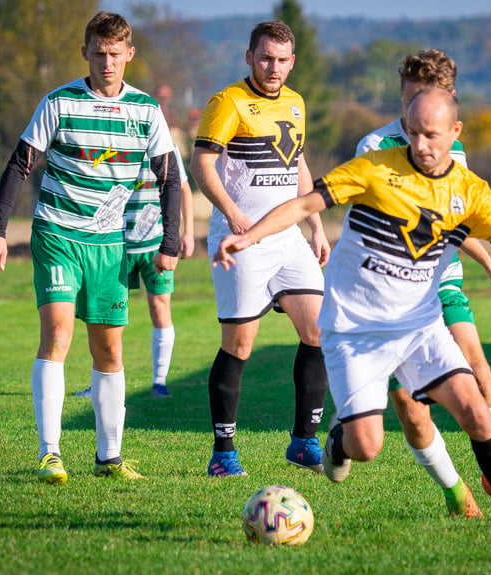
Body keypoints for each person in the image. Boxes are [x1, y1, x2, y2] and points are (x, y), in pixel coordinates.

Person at [215, 87, 491, 530]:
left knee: (474, 408)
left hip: (419, 324)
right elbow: (303, 203)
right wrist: (249, 235)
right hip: (355, 330)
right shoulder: (375, 169)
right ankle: (338, 441)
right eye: (413, 133)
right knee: (367, 446)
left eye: (432, 134)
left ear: (456, 131)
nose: (421, 145)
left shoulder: (470, 191)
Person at [0, 11, 181, 484]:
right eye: (98, 52)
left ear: (129, 54)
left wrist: (169, 243)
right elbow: (19, 166)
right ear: (85, 51)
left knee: (109, 350)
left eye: (115, 54)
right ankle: (51, 453)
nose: (107, 62)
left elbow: (171, 180)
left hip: (110, 244)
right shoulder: (59, 102)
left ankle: (109, 457)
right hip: (57, 235)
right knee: (58, 336)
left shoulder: (147, 111)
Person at [355, 49, 491, 517]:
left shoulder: (453, 148)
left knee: (477, 365)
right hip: (388, 296)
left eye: (423, 100)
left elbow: (455, 219)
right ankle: (455, 492)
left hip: (441, 279)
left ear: (449, 102)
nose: (412, 112)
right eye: (406, 99)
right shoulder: (374, 148)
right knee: (411, 410)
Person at [190, 20, 331, 477]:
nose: (275, 68)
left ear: (293, 61)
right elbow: (202, 163)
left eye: (283, 60)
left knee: (319, 332)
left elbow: (298, 165)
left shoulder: (295, 103)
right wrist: (231, 212)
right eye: (266, 58)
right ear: (249, 57)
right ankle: (223, 453)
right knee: (240, 345)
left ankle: (304, 443)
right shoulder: (227, 102)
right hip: (240, 241)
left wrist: (316, 224)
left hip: (289, 239)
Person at [74, 145, 195, 399]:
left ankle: (159, 383)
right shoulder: (117, 140)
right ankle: (101, 383)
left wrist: (188, 233)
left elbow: (183, 188)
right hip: (116, 243)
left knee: (160, 310)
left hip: (156, 244)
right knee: (107, 317)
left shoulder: (166, 145)